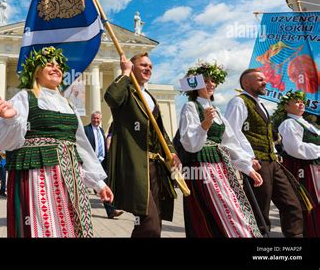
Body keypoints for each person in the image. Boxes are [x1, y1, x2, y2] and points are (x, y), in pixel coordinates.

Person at [0, 46, 113, 238]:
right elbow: (5, 142)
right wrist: (11, 118)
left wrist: (98, 183)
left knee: (70, 228)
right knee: (43, 229)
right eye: (49, 65)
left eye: (59, 66)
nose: (56, 68)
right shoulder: (25, 97)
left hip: (70, 177)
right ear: (36, 72)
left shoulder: (68, 104)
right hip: (36, 174)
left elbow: (80, 145)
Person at [178, 61, 263, 237]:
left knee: (233, 207)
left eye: (213, 81)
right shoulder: (190, 107)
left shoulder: (216, 110)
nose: (211, 84)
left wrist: (247, 167)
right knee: (218, 211)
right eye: (206, 81)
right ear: (196, 84)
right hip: (201, 168)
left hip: (221, 167)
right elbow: (189, 143)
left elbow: (230, 143)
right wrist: (204, 125)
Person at [104, 52, 178, 237]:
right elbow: (111, 98)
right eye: (143, 65)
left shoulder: (151, 97)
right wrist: (125, 73)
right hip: (136, 166)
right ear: (132, 66)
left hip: (156, 167)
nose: (148, 69)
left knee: (155, 221)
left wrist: (172, 152)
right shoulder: (126, 91)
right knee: (149, 222)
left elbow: (160, 131)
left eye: (151, 66)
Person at [225, 68, 303, 237]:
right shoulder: (239, 102)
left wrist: (274, 152)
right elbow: (231, 133)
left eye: (264, 79)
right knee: (259, 211)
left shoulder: (259, 103)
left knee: (292, 204)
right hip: (257, 162)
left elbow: (266, 134)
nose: (265, 82)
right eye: (259, 79)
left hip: (272, 161)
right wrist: (246, 160)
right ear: (246, 83)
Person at [275, 90, 320, 237]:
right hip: (302, 167)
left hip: (313, 165)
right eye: (296, 101)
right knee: (310, 200)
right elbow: (295, 148)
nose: (301, 104)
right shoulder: (289, 123)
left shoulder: (306, 123)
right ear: (286, 106)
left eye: (302, 101)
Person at [84, 111, 123, 219]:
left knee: (104, 186)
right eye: (94, 118)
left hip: (101, 163)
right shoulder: (86, 130)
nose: (96, 120)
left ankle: (111, 211)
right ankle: (83, 209)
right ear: (91, 118)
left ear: (100, 120)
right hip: (90, 163)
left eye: (98, 119)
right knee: (85, 186)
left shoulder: (101, 130)